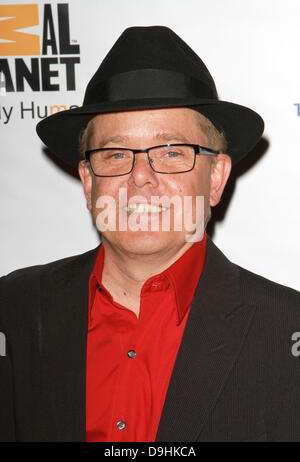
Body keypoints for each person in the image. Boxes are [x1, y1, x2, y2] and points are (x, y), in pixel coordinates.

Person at [0, 26, 299, 442]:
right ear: (89, 182)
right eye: (116, 154)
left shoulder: (287, 329)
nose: (141, 178)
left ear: (216, 178)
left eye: (172, 152)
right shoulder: (12, 309)